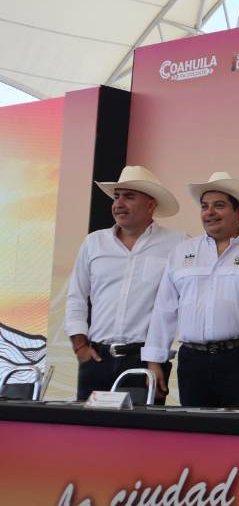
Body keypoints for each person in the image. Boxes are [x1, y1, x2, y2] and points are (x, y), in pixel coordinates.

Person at [144, 172, 239, 407]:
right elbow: (164, 309)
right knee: (195, 435)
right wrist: (154, 361)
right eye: (205, 206)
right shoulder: (182, 251)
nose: (209, 212)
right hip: (193, 361)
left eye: (219, 205)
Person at [66, 166, 184, 402]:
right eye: (116, 196)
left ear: (151, 205)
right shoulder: (94, 242)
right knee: (87, 433)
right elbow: (76, 296)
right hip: (96, 358)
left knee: (139, 436)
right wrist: (80, 347)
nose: (118, 203)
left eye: (129, 197)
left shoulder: (178, 243)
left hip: (144, 360)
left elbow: (213, 257)